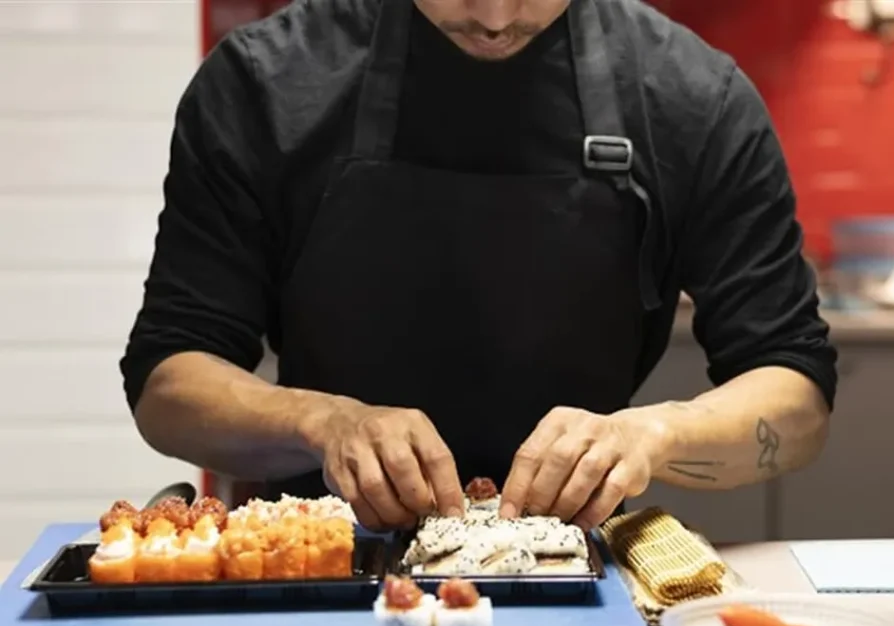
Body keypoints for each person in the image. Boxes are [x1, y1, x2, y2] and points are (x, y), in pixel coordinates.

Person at [122, 0, 837, 533]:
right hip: (314, 559)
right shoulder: (264, 86)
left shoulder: (693, 99)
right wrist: (323, 421)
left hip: (575, 571)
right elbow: (169, 385)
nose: (495, 16)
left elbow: (795, 398)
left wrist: (653, 436)